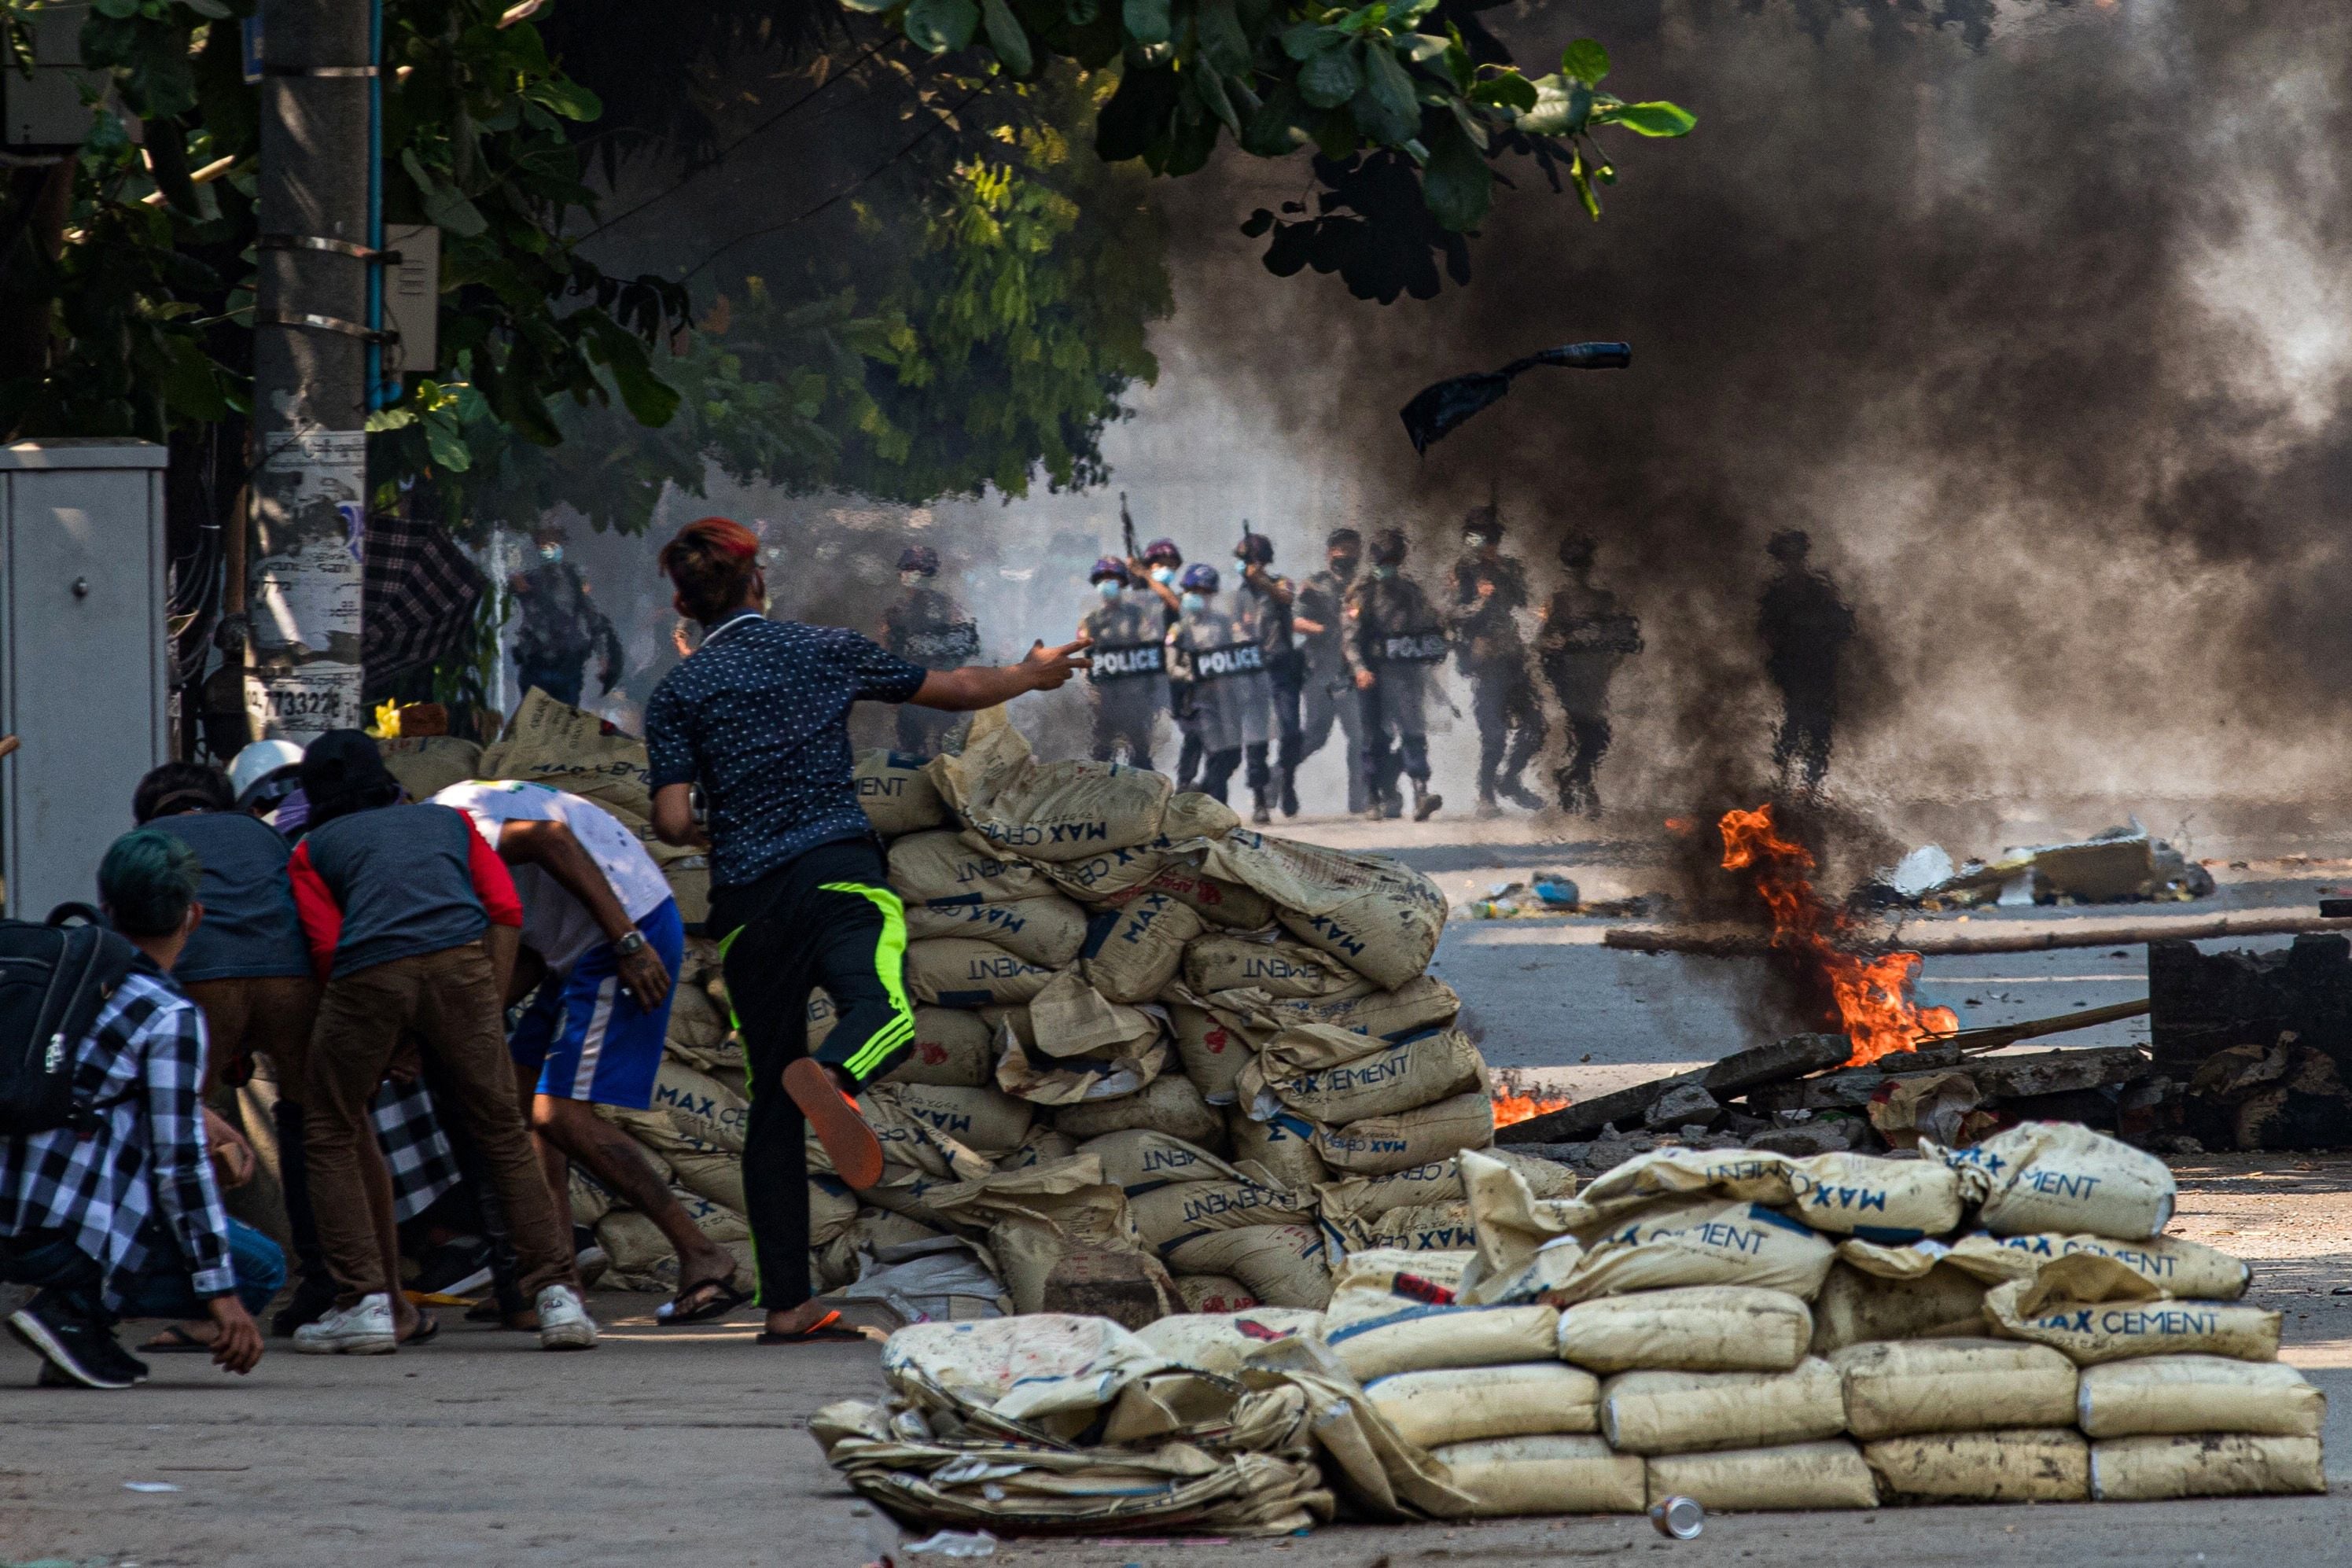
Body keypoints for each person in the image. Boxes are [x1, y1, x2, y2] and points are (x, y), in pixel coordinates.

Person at [644, 516, 1086, 1345]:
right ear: (758, 582)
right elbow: (953, 688)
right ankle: (838, 1075)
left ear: (686, 602)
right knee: (882, 1011)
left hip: (746, 907)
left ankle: (786, 1302)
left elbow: (671, 818)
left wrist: (721, 815)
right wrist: (1031, 674)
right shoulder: (821, 648)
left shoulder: (681, 690)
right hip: (838, 876)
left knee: (771, 1111)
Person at [285, 731, 594, 1354]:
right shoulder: (450, 824)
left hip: (366, 974)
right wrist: (483, 999)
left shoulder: (312, 849)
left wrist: (386, 1036)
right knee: (502, 1130)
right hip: (463, 967)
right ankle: (557, 1298)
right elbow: (504, 909)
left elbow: (325, 949)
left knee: (329, 1128)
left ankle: (365, 1304)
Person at [132, 760, 426, 1345]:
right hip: (291, 977)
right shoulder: (263, 833)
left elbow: (139, 943)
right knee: (335, 1129)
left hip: (203, 977)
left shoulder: (144, 846)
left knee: (186, 1130)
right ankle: (385, 1299)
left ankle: (211, 1308)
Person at [431, 777, 740, 1323]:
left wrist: (626, 942)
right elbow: (519, 946)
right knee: (520, 1104)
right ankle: (553, 1276)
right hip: (576, 945)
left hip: (620, 935)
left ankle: (703, 1255)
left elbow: (551, 838)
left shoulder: (452, 827)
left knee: (559, 1114)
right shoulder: (452, 815)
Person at [2, 830, 278, 1389]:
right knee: (259, 1266)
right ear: (193, 916)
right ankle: (75, 1306)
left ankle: (80, 1324)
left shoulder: (47, 975)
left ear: (106, 909)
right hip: (53, 1231)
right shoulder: (165, 1012)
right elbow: (180, 1167)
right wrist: (220, 1294)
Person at [1447, 506, 1546, 816]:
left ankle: (1510, 781)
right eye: (1478, 537)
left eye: (1490, 538)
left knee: (1536, 726)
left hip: (1512, 655)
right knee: (1494, 733)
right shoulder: (1462, 571)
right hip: (1485, 659)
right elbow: (1452, 614)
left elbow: (1523, 600)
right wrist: (1479, 600)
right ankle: (1486, 794)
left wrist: (1502, 575)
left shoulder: (1509, 568)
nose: (1485, 543)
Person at [1345, 528, 1447, 823]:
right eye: (1382, 558)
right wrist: (1360, 669)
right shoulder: (1361, 592)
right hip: (1372, 675)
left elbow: (1430, 625)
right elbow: (1350, 638)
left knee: (1414, 732)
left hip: (1405, 673)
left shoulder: (1411, 592)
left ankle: (1421, 791)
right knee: (1374, 738)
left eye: (1392, 559)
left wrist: (1434, 643)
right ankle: (1374, 795)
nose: (1387, 564)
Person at [1537, 536, 1642, 818]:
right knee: (1590, 736)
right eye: (1575, 564)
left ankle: (1574, 781)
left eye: (1581, 563)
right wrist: (1562, 645)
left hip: (1595, 676)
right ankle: (1577, 784)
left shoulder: (1604, 600)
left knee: (1594, 737)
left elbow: (1623, 638)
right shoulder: (1559, 601)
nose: (1578, 570)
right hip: (1572, 678)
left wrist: (1612, 652)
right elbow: (1545, 641)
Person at [1166, 563, 1275, 814]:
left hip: (1227, 700)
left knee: (1233, 755)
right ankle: (1218, 809)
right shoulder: (1179, 628)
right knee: (1216, 752)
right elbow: (1171, 667)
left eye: (1204, 591)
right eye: (1194, 591)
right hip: (1199, 703)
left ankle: (1198, 792)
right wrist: (1193, 673)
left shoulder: (1223, 623)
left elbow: (1236, 653)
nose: (1198, 596)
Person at [1757, 529, 1855, 794]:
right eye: (1788, 555)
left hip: (1819, 671)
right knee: (1791, 732)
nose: (1793, 560)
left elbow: (1843, 628)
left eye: (1797, 553)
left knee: (1818, 735)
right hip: (1793, 672)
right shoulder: (1775, 595)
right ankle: (1784, 787)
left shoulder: (1820, 590)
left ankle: (1811, 791)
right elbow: (1766, 633)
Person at [1294, 527, 1368, 815]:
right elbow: (1296, 621)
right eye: (1340, 549)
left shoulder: (1363, 587)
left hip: (1351, 673)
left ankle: (1359, 800)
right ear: (1329, 553)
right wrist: (1326, 630)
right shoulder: (1315, 585)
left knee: (1359, 735)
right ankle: (1275, 780)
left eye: (1351, 550)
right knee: (1315, 735)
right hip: (1320, 671)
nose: (1345, 555)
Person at [880, 544, 980, 758]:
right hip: (945, 690)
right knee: (948, 753)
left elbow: (888, 653)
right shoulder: (954, 608)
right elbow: (972, 646)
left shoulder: (898, 611)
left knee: (912, 753)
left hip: (917, 692)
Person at [510, 521, 623, 709]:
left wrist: (603, 656)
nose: (548, 547)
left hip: (567, 664)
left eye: (553, 541)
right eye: (544, 542)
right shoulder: (527, 579)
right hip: (536, 662)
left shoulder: (573, 578)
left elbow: (593, 619)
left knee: (564, 722)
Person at [1234, 530, 1305, 819]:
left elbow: (1286, 597)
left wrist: (1260, 580)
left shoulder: (1279, 582)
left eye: (1249, 560)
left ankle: (1286, 780)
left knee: (1290, 731)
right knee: (1256, 736)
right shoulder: (1238, 595)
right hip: (1252, 671)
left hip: (1282, 667)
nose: (1245, 567)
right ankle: (1259, 797)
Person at [1124, 537, 1198, 789]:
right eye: (1160, 564)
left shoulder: (1172, 596)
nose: (1166, 570)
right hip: (1141, 674)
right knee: (1139, 735)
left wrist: (1146, 575)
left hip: (1171, 670)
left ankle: (1186, 782)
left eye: (1171, 566)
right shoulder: (1134, 596)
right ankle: (1142, 784)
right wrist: (1133, 575)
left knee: (1194, 726)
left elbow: (1175, 605)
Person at [1077, 557, 1164, 770]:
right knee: (1102, 752)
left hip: (1135, 694)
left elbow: (1151, 648)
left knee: (1141, 752)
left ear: (1123, 584)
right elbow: (1084, 660)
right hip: (1104, 696)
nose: (1108, 584)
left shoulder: (1136, 615)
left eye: (1113, 579)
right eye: (1103, 579)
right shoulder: (1091, 619)